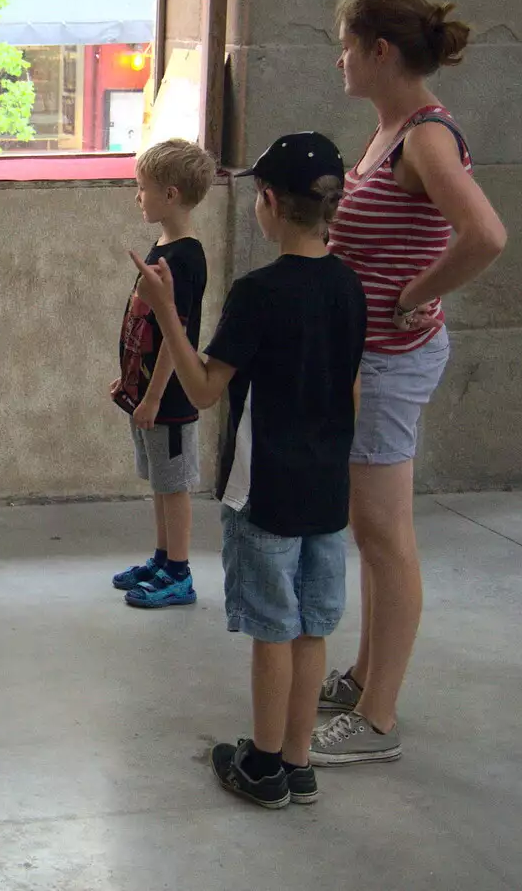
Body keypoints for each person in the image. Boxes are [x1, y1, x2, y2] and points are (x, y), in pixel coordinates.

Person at [133, 132, 366, 808]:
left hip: (264, 492)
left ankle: (262, 767)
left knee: (272, 630)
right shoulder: (349, 284)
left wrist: (167, 311)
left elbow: (204, 390)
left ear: (266, 202)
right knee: (313, 627)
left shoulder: (258, 293)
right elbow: (351, 388)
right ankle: (298, 760)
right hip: (328, 488)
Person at [310, 0, 507, 767]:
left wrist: (412, 296)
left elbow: (485, 235)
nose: (341, 59)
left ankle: (378, 718)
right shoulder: (390, 129)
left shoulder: (426, 137)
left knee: (386, 535)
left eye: (348, 45)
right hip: (369, 358)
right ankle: (365, 676)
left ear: (379, 52)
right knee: (372, 530)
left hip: (391, 362)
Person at [108, 139, 214, 608]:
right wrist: (130, 382)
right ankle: (162, 556)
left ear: (171, 195)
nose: (138, 197)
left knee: (174, 487)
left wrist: (152, 397)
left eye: (142, 188)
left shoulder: (186, 258)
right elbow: (143, 325)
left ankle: (180, 571)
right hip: (146, 393)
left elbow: (177, 337)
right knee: (159, 481)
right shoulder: (162, 244)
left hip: (170, 399)